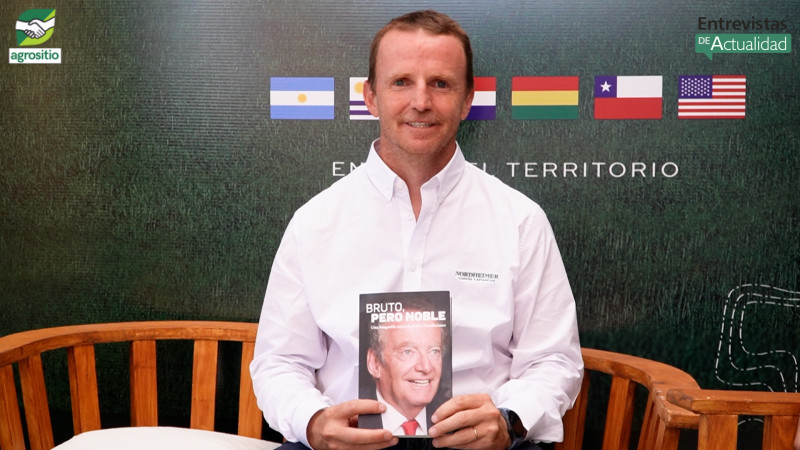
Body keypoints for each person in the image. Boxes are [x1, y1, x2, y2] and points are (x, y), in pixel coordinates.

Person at [250, 9, 583, 450]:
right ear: (371, 97)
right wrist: (312, 423)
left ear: (467, 100)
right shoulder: (314, 222)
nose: (421, 101)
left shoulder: (520, 220)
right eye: (401, 82)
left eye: (440, 84)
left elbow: (554, 360)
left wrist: (509, 421)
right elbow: (279, 362)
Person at [361, 303, 449, 436]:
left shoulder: (450, 415)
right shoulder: (353, 418)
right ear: (375, 363)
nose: (426, 367)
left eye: (434, 351)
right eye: (407, 352)